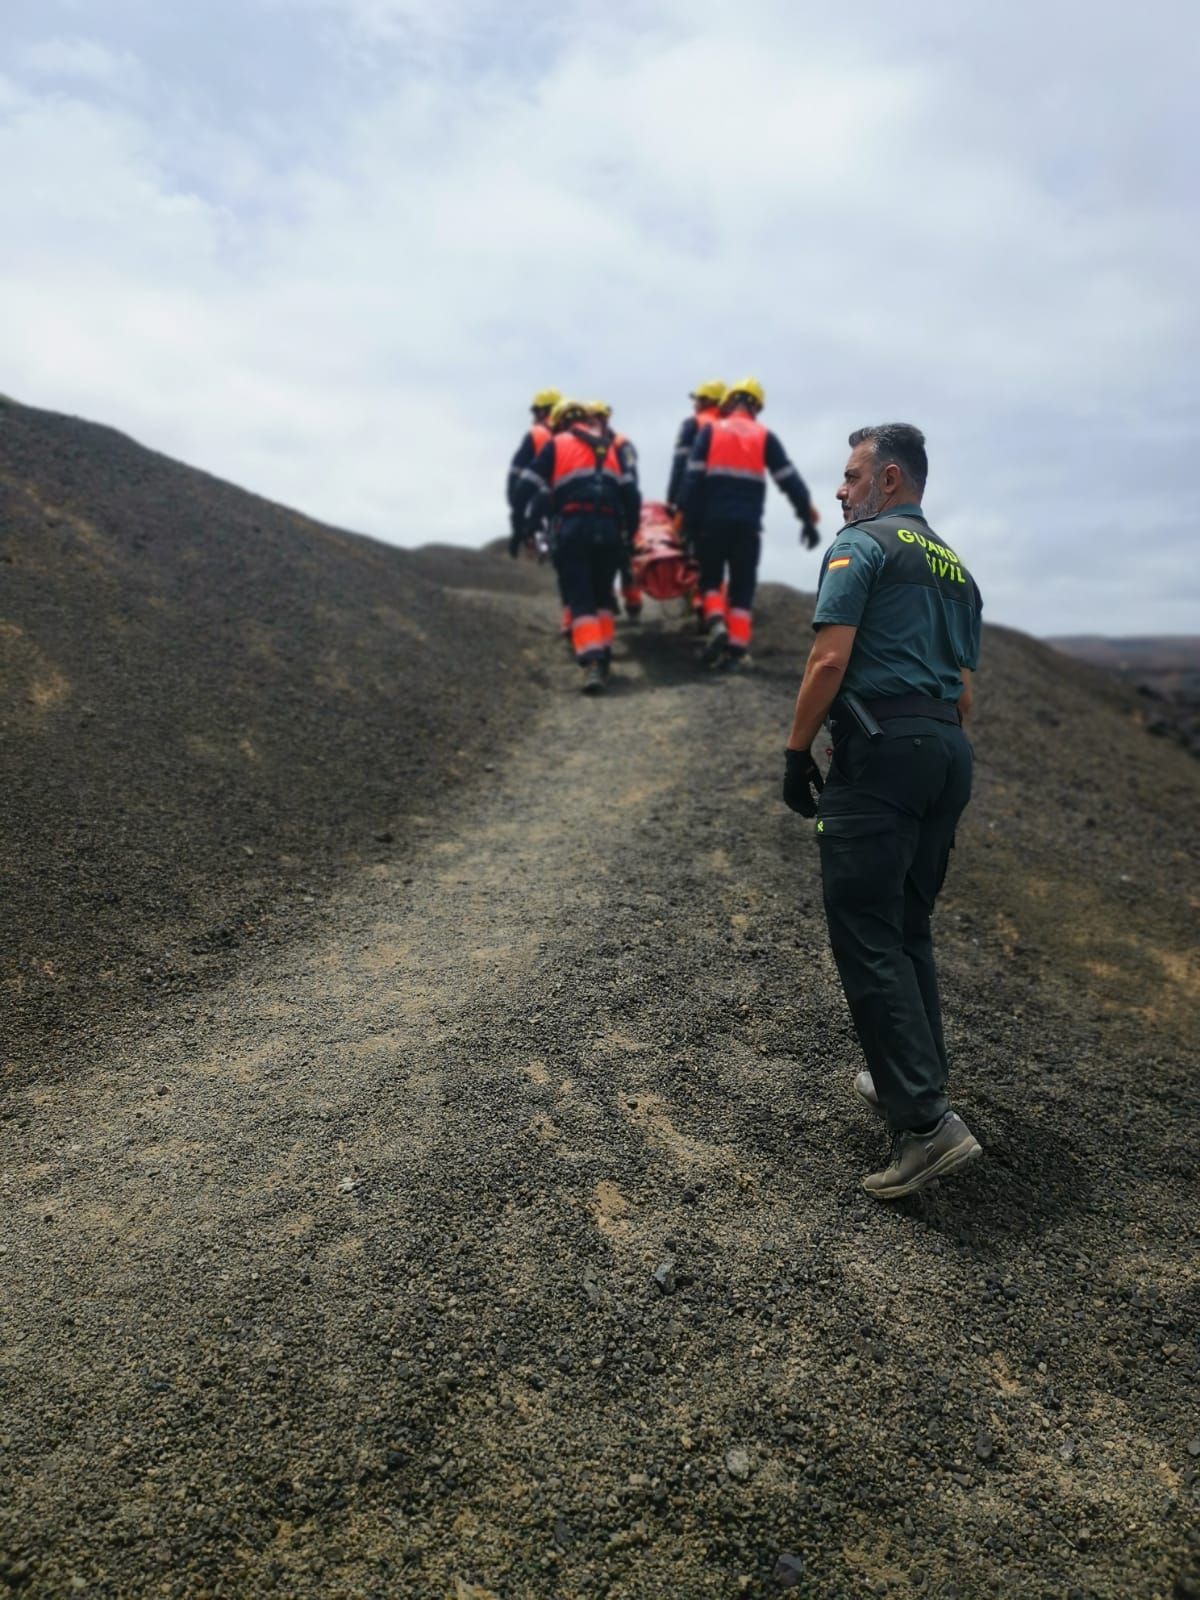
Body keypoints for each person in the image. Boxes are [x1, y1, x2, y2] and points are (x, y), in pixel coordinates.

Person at [782, 423, 984, 1200]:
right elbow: (962, 688)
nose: (840, 490)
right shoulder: (955, 568)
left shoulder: (860, 546)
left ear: (889, 480)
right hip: (944, 751)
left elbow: (829, 657)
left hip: (881, 751)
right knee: (907, 924)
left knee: (865, 929)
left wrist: (796, 754)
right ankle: (911, 1081)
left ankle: (927, 1127)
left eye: (850, 475)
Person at [679, 377, 820, 668]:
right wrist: (806, 516)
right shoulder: (764, 436)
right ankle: (737, 651)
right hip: (747, 527)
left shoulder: (710, 431)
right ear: (756, 406)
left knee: (709, 578)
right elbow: (788, 479)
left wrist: (687, 522)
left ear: (729, 403)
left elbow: (692, 479)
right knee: (742, 587)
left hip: (712, 523)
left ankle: (716, 622)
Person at [514, 399, 638, 694]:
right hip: (608, 531)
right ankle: (605, 652)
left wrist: (523, 521)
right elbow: (631, 495)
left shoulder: (556, 445)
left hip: (573, 530)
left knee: (580, 597)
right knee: (602, 595)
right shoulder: (611, 446)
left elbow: (527, 486)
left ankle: (593, 662)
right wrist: (628, 534)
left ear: (558, 423)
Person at [508, 388, 571, 637]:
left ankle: (572, 619)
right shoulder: (591, 436)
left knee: (567, 563)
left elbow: (517, 477)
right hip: (591, 509)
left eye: (536, 411)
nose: (534, 416)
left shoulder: (539, 436)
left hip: (548, 503)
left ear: (545, 410)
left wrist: (520, 521)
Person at [587, 401, 644, 620]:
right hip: (598, 506)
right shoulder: (586, 442)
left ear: (605, 419)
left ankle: (633, 603)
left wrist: (630, 511)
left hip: (619, 504)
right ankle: (608, 597)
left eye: (595, 418)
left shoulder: (621, 444)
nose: (591, 422)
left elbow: (631, 476)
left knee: (626, 556)